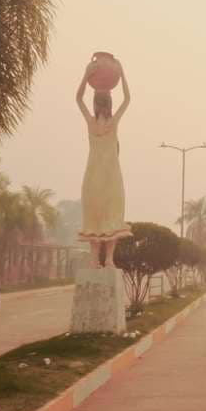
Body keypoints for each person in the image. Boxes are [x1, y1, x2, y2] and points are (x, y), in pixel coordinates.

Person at [75, 58, 132, 267]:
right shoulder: (113, 122)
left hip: (92, 175)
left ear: (95, 103)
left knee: (94, 217)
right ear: (109, 103)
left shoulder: (91, 122)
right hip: (111, 176)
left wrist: (86, 74)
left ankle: (94, 259)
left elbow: (78, 98)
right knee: (112, 216)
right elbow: (127, 99)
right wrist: (122, 72)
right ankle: (108, 259)